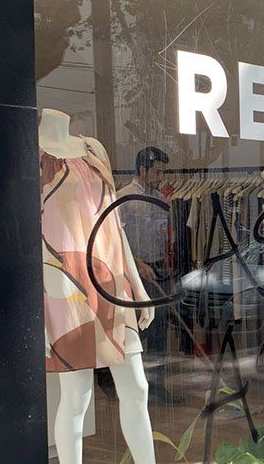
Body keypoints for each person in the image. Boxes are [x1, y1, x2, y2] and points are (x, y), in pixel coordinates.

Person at [113, 146, 182, 404]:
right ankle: (120, 381)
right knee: (135, 329)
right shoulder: (123, 199)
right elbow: (113, 241)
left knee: (159, 329)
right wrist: (138, 263)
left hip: (159, 268)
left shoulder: (162, 199)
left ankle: (156, 384)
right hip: (133, 272)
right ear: (142, 169)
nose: (161, 176)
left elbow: (164, 236)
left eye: (163, 171)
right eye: (157, 171)